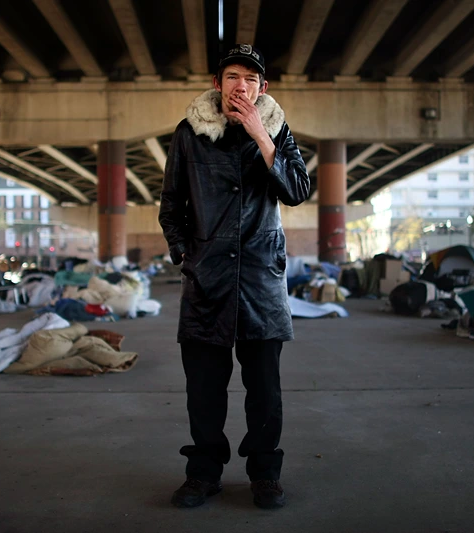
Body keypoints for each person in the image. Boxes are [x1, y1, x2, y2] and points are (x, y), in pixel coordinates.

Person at [158, 43, 309, 510]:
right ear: (217, 84)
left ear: (262, 88)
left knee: (265, 389)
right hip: (207, 281)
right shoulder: (189, 133)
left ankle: (265, 474)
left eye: (249, 79)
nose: (239, 86)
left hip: (261, 281)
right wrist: (187, 254)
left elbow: (297, 191)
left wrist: (260, 135)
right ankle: (203, 473)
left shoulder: (278, 133)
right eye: (231, 77)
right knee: (203, 388)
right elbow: (171, 207)